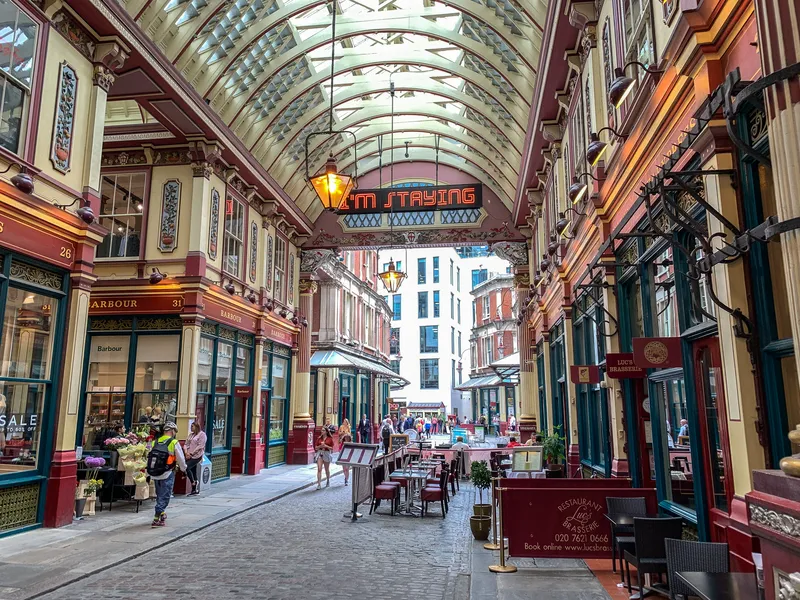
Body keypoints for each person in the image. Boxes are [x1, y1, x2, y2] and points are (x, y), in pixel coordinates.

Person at [147, 422, 186, 527]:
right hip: (167, 472)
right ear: (172, 431)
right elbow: (180, 458)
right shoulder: (173, 442)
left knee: (160, 494)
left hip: (155, 473)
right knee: (165, 495)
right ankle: (157, 517)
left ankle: (162, 514)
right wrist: (183, 469)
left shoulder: (155, 441)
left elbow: (149, 454)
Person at [184, 421, 206, 496]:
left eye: (192, 426)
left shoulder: (202, 435)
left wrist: (192, 453)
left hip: (197, 456)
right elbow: (186, 444)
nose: (191, 428)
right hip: (189, 455)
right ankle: (194, 489)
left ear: (196, 427)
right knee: (193, 470)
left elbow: (200, 446)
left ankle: (193, 483)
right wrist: (186, 452)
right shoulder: (191, 435)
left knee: (186, 467)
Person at [315, 422, 335, 489]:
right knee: (319, 469)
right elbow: (316, 447)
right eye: (321, 430)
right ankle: (319, 484)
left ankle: (328, 480)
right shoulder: (319, 438)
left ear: (326, 431)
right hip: (320, 453)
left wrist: (326, 446)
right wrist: (320, 446)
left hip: (326, 453)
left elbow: (332, 448)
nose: (322, 431)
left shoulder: (330, 439)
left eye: (323, 430)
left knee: (326, 469)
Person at [338, 419, 353, 486]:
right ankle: (345, 477)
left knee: (347, 468)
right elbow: (339, 434)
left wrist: (347, 434)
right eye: (344, 421)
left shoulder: (350, 443)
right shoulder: (341, 427)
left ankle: (346, 479)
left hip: (348, 454)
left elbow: (350, 434)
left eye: (345, 422)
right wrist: (343, 434)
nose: (344, 423)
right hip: (343, 453)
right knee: (344, 469)